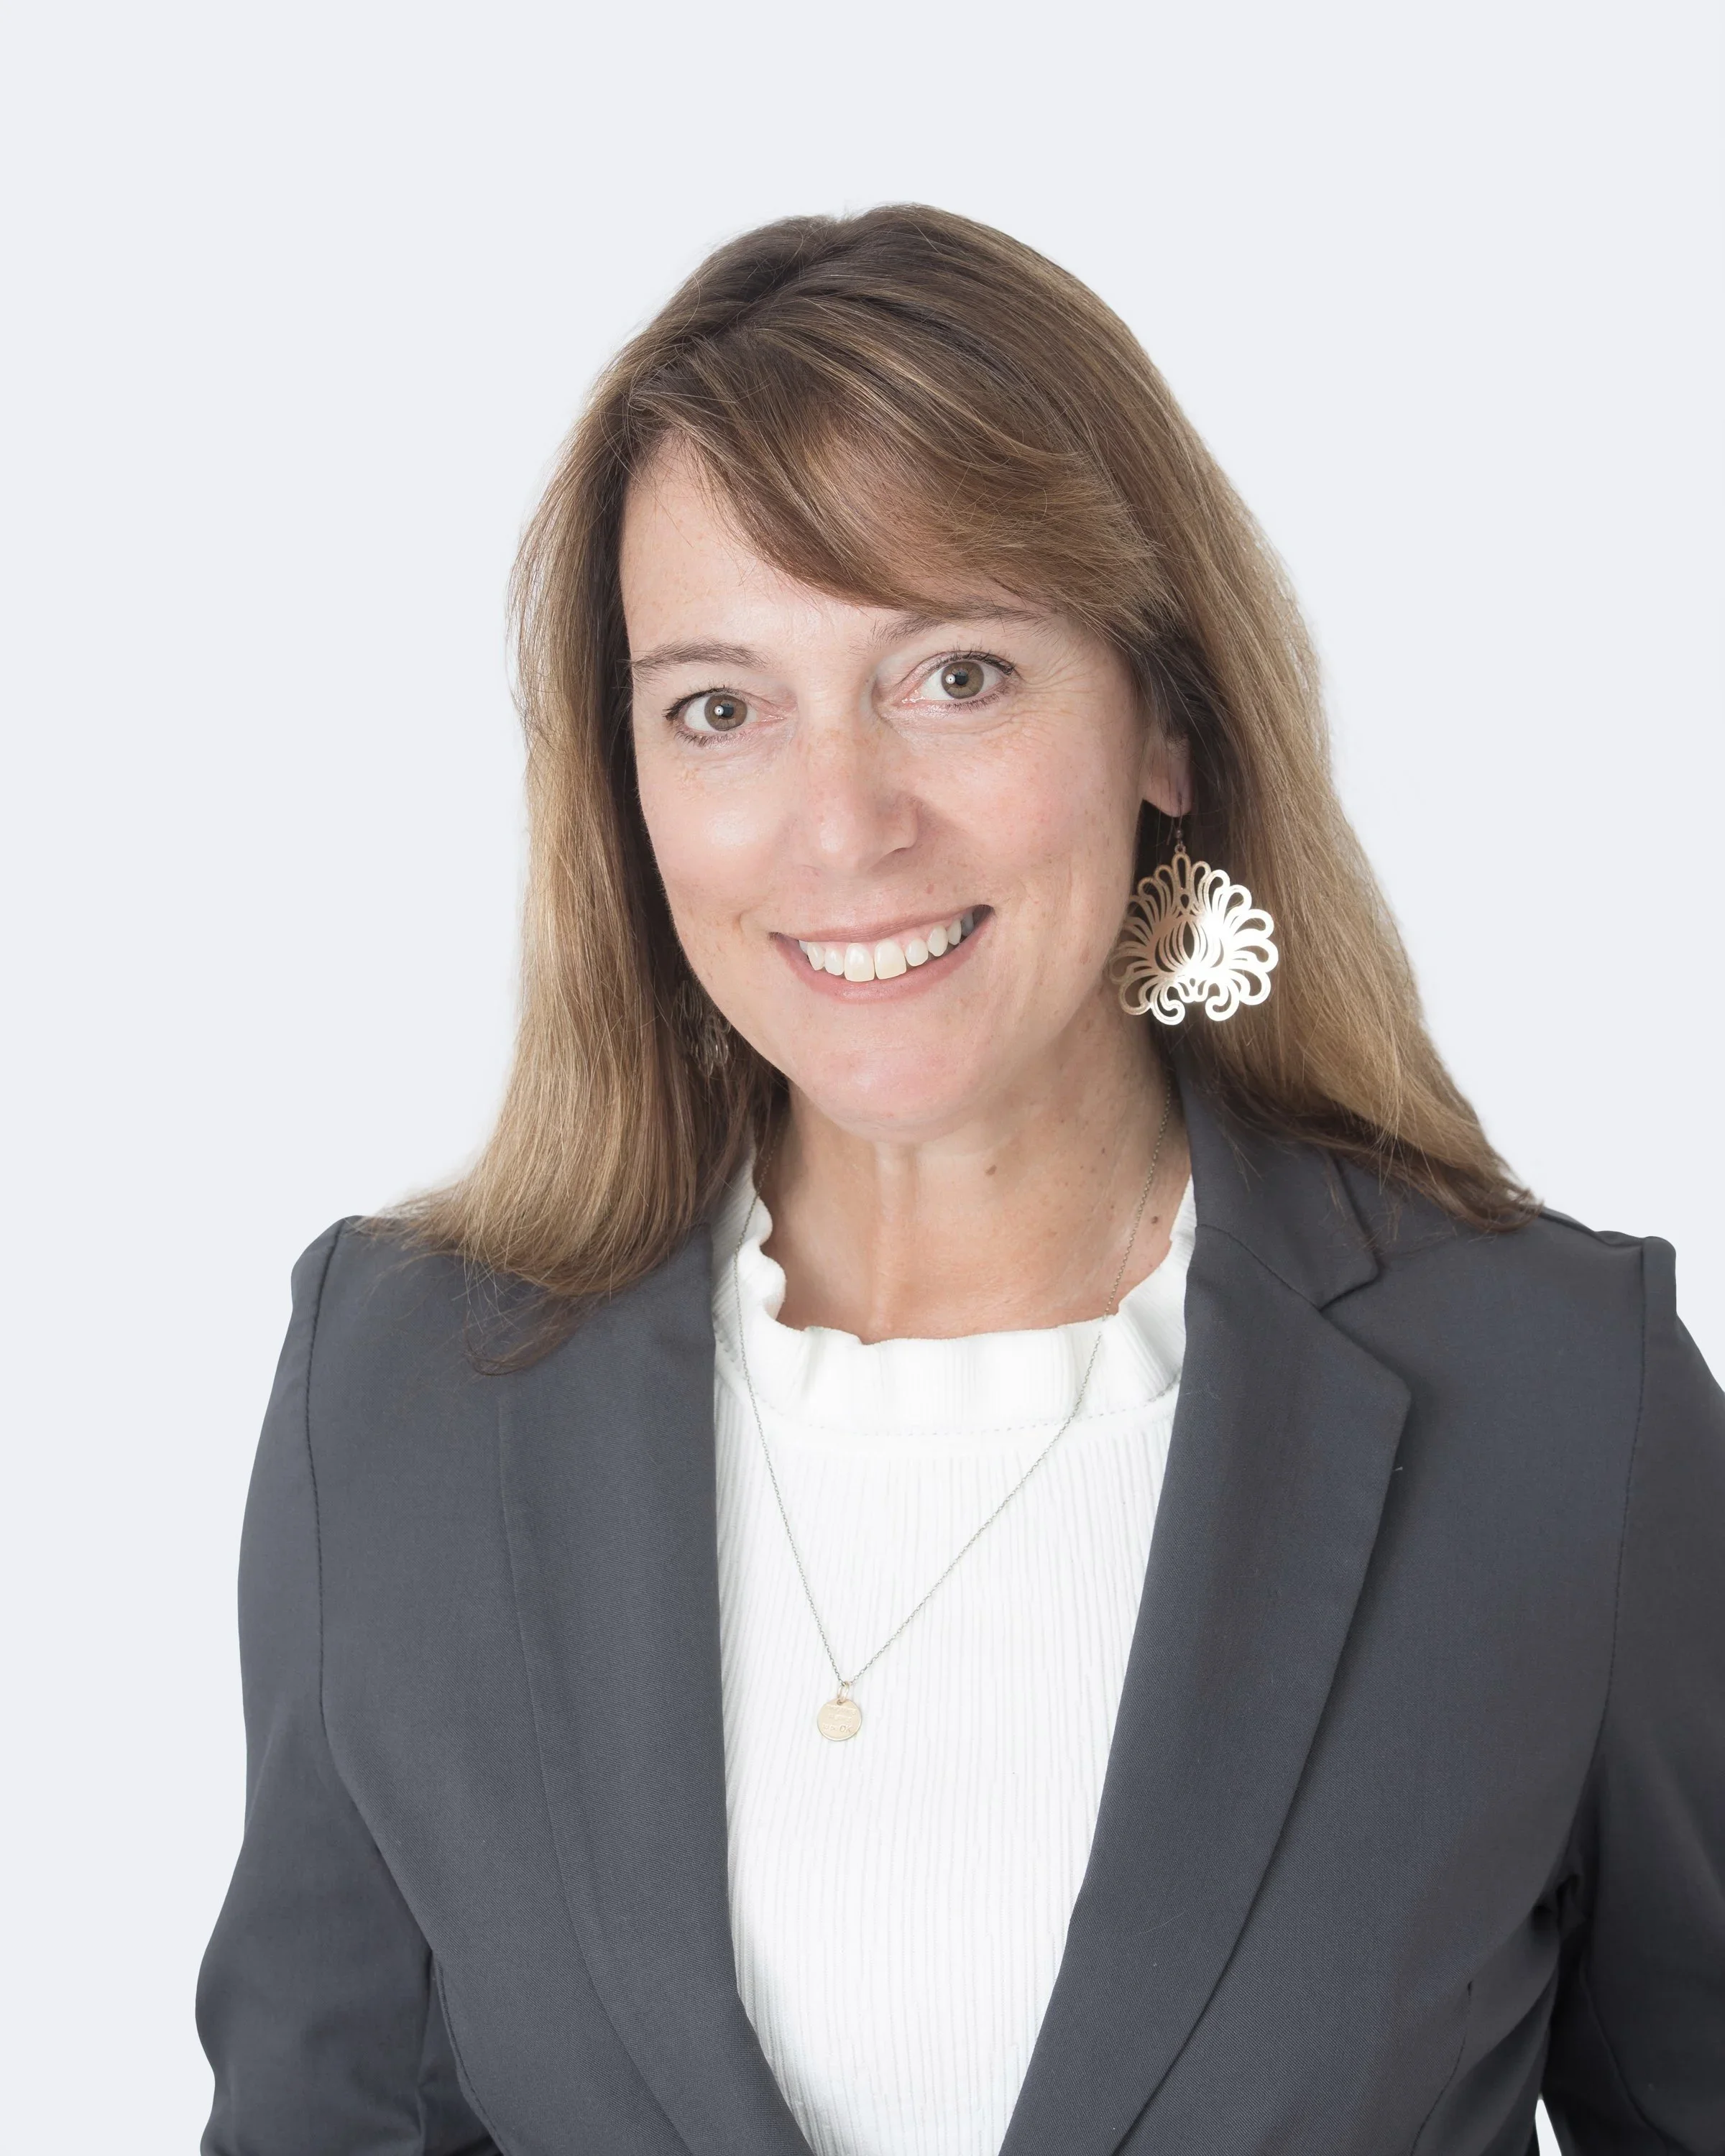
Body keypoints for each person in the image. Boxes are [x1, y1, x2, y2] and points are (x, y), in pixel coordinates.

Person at [196, 206, 1724, 2156]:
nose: (845, 824)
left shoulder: (1555, 1403)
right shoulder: (399, 1389)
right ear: (630, 780)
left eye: (960, 676)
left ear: (1166, 717)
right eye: (721, 707)